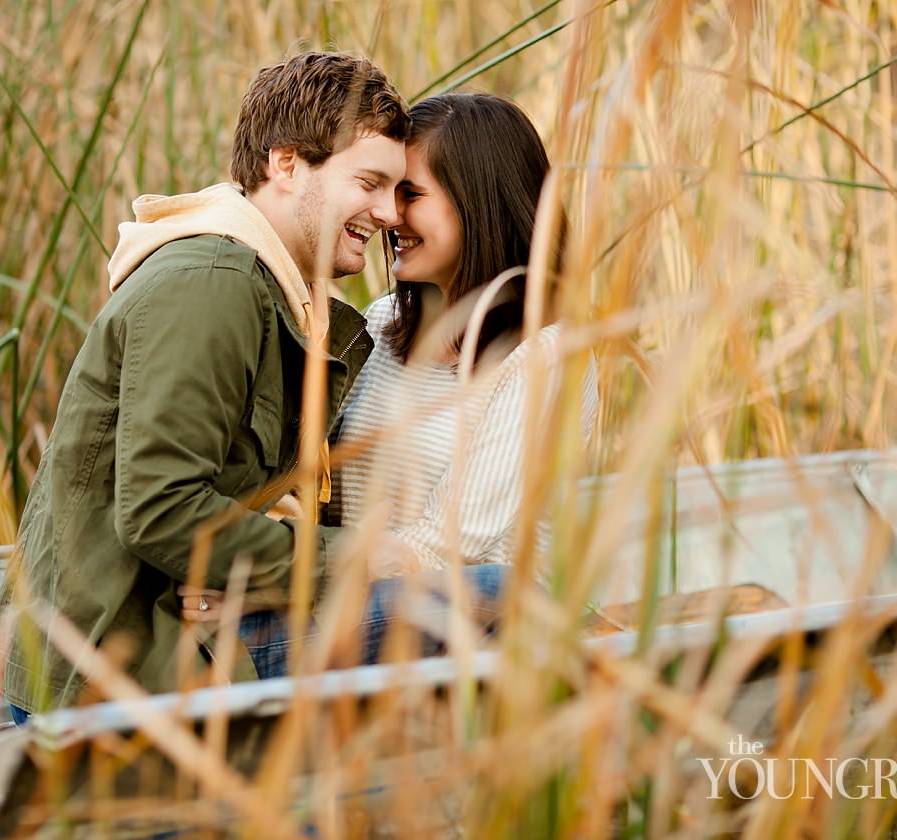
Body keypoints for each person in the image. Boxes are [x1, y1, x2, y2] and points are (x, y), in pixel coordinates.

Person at [0, 51, 411, 718]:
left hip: (191, 642)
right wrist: (348, 561)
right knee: (491, 599)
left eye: (398, 191)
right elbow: (162, 509)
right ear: (286, 163)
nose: (388, 213)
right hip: (119, 674)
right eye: (370, 183)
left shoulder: (283, 297)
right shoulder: (213, 283)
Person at [189, 93, 599, 679]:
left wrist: (271, 584)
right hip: (362, 607)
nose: (386, 214)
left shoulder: (549, 356)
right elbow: (317, 493)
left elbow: (450, 547)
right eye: (380, 190)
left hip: (485, 632)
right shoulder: (381, 323)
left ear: (478, 204)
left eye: (410, 195)